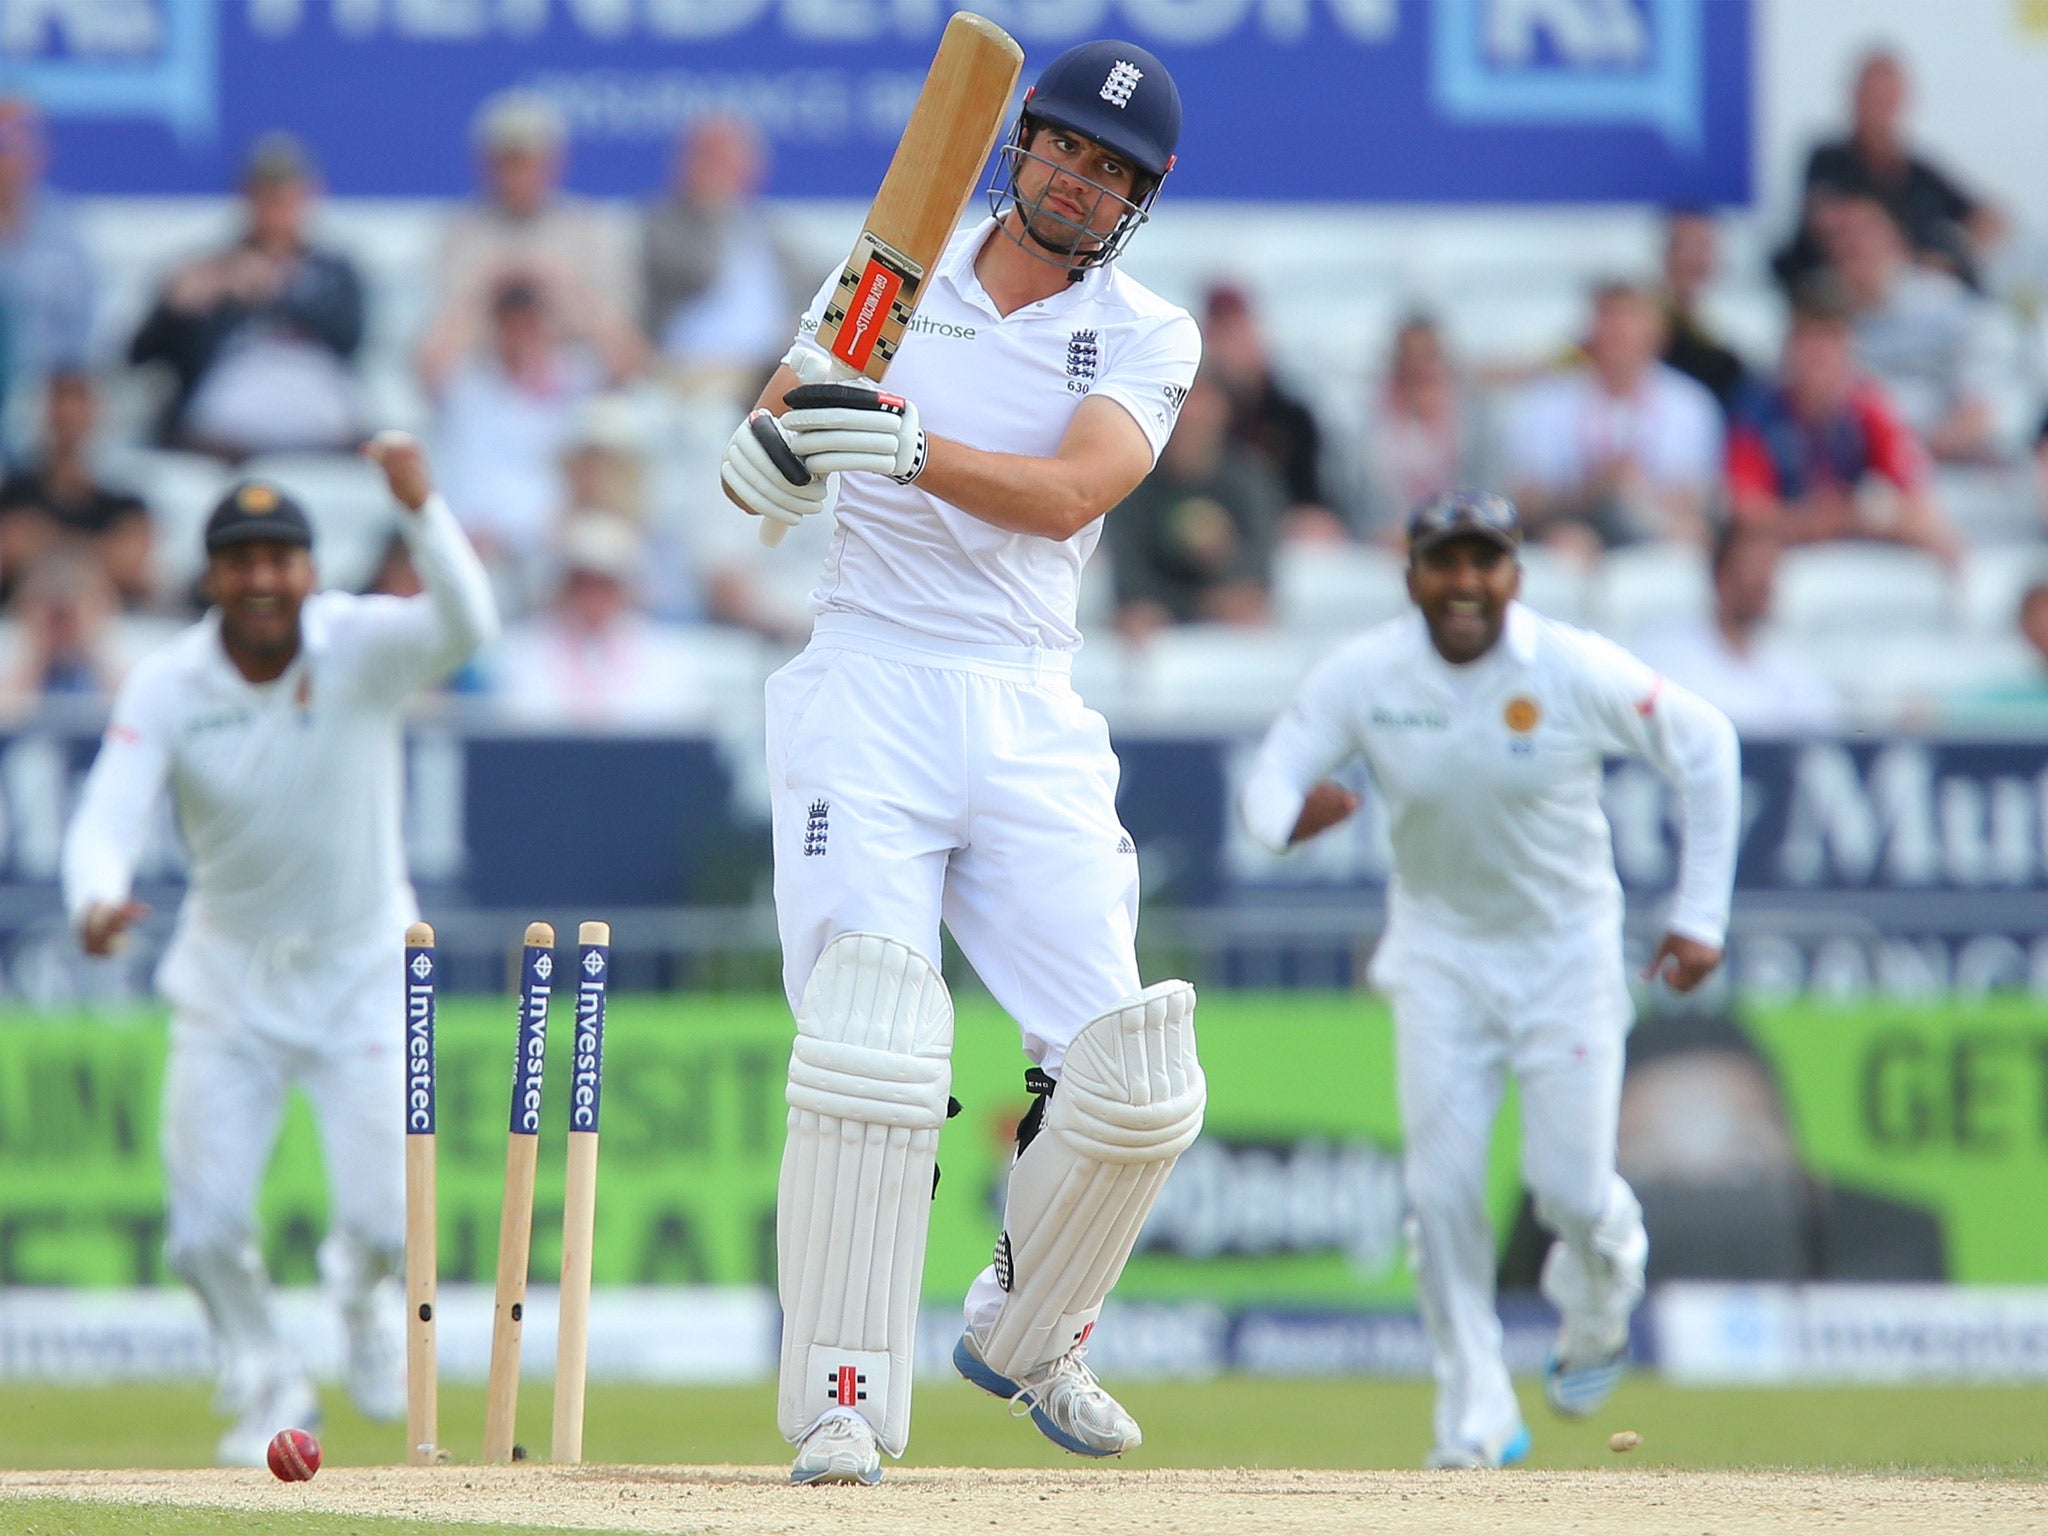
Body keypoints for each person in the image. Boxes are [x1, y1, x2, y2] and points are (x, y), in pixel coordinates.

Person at [717, 40, 1206, 1486]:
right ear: (1020, 147)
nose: (1077, 176)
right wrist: (769, 454)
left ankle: (1033, 1326)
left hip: (1024, 696)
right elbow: (779, 421)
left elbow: (1068, 496)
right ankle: (844, 1400)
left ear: (1138, 199)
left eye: (1109, 170)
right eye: (1061, 145)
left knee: (1132, 1074)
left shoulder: (1146, 332)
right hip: (867, 675)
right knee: (873, 1040)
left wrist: (902, 444)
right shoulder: (889, 275)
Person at [1239, 490, 1739, 1469]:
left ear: (1514, 571)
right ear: (1410, 574)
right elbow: (1269, 778)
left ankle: (1599, 1295)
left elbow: (1705, 746)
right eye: (1443, 561)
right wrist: (1281, 822)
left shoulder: (1567, 666)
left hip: (1565, 958)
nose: (1464, 583)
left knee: (1569, 1193)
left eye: (1485, 562)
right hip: (1438, 958)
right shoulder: (1368, 672)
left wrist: (1699, 918)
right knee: (1442, 1196)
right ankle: (1473, 1417)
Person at [59, 436, 498, 1466]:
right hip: (228, 976)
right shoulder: (170, 683)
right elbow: (105, 817)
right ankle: (264, 1373)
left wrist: (423, 509)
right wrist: (97, 894)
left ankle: (362, 1302)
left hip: (360, 970)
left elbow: (468, 623)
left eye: (281, 558)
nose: (262, 579)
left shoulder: (357, 644)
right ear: (210, 576)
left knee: (389, 1220)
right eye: (241, 560)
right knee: (203, 1230)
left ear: (309, 569)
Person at [127, 134, 365, 459]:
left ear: (308, 195)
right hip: (225, 425)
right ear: (247, 196)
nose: (277, 208)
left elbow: (349, 339)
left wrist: (276, 288)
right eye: (267, 195)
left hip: (317, 416)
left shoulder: (334, 272)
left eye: (286, 196)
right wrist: (175, 309)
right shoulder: (211, 269)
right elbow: (141, 354)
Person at [418, 90, 643, 392]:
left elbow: (627, 362)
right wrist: (490, 284)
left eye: (527, 161)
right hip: (487, 385)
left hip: (573, 386)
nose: (516, 175)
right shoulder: (459, 234)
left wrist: (556, 284)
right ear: (483, 165)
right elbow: (430, 369)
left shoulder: (588, 231)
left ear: (555, 162)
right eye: (505, 162)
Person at [1726, 282, 1957, 562]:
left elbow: (1919, 504)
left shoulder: (1869, 409)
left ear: (1848, 347)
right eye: (1807, 338)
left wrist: (1852, 517)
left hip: (1849, 541)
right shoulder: (1757, 413)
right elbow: (1748, 512)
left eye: (1829, 338)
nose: (1817, 354)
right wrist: (1812, 520)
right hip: (1783, 556)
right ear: (1788, 345)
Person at [1504, 282, 1723, 553]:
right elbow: (1527, 501)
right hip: (1577, 520)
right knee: (1566, 544)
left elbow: (1700, 497)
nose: (1618, 333)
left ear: (1657, 335)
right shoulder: (1548, 402)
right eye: (1609, 321)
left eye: (1629, 321)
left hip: (1655, 520)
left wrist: (1638, 490)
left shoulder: (1689, 404)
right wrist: (1595, 486)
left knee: (1691, 538)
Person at [1773, 49, 2003, 294]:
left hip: (1911, 299)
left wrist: (1953, 249)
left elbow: (1991, 218)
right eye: (1871, 96)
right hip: (1841, 302)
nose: (1877, 108)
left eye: (1885, 98)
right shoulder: (1827, 159)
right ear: (1854, 96)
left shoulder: (1921, 171)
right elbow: (1829, 218)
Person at [1824, 194, 2003, 464]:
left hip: (1949, 459)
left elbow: (1983, 401)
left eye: (1865, 233)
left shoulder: (1944, 305)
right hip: (1857, 466)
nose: (1855, 245)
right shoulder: (1821, 317)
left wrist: (1919, 451)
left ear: (1898, 242)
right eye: (1842, 236)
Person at [489, 510, 708, 725]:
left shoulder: (665, 656)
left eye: (605, 585)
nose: (593, 597)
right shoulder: (521, 652)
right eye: (583, 584)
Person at [641, 114, 805, 400]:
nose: (717, 169)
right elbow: (689, 273)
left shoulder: (766, 228)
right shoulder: (660, 223)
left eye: (727, 159)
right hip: (685, 375)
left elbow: (811, 282)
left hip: (763, 374)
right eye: (708, 157)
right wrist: (712, 210)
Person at [1107, 372, 1282, 638]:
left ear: (1222, 412)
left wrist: (1221, 555)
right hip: (1159, 626)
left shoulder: (1250, 479)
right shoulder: (1134, 481)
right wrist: (1198, 606)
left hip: (1230, 624)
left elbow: (1260, 572)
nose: (1192, 418)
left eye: (1201, 408)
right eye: (1184, 407)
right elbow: (1130, 582)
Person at [1634, 523, 1842, 736]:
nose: (1764, 583)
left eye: (1769, 569)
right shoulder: (1666, 661)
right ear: (1722, 576)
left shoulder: (1792, 670)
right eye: (1752, 569)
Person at [0, 370, 152, 608]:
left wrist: (43, 542)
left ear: (97, 414)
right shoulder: (12, 495)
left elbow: (132, 568)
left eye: (79, 401)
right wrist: (99, 549)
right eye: (59, 400)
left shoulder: (125, 502)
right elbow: (8, 552)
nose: (69, 413)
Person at [1352, 315, 1496, 541]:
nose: (1418, 365)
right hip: (1383, 544)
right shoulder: (1367, 421)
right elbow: (1351, 497)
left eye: (1428, 355)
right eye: (1409, 355)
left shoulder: (1476, 420)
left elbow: (1492, 491)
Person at [0, 97, 96, 400]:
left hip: (49, 396)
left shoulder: (64, 231)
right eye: (5, 136)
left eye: (28, 135)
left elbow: (83, 330)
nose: (17, 148)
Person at [1658, 211, 1749, 419]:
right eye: (1685, 247)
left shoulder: (1740, 322)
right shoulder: (1649, 323)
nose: (1693, 260)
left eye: (1703, 248)